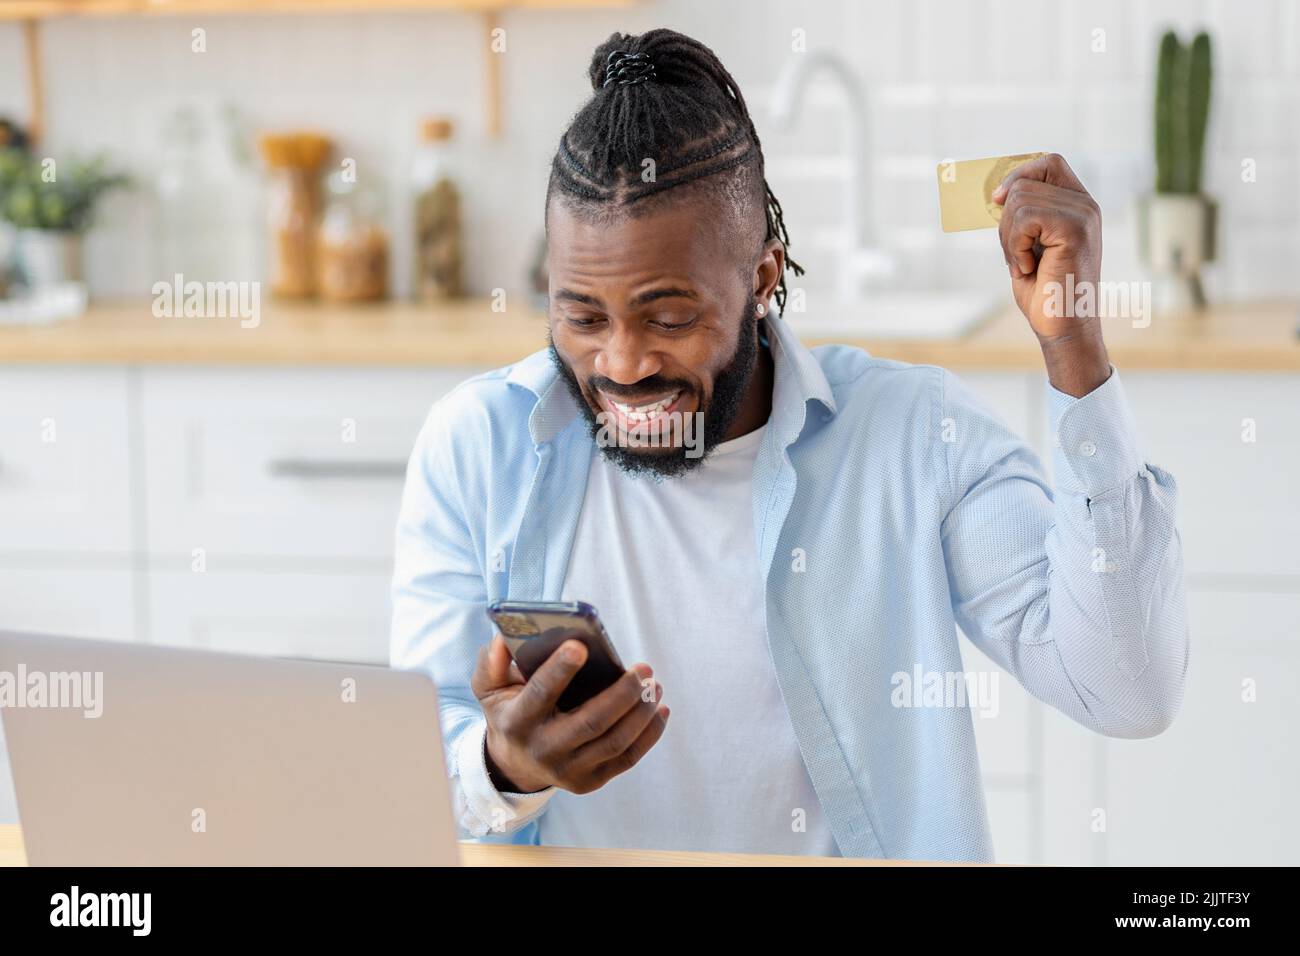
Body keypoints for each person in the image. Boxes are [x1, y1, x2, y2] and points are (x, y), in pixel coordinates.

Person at [391, 28, 1188, 861]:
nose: (622, 365)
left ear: (764, 278)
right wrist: (505, 765)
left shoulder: (914, 439)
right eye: (582, 316)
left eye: (669, 318)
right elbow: (420, 760)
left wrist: (1076, 353)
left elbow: (1129, 692)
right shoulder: (478, 446)